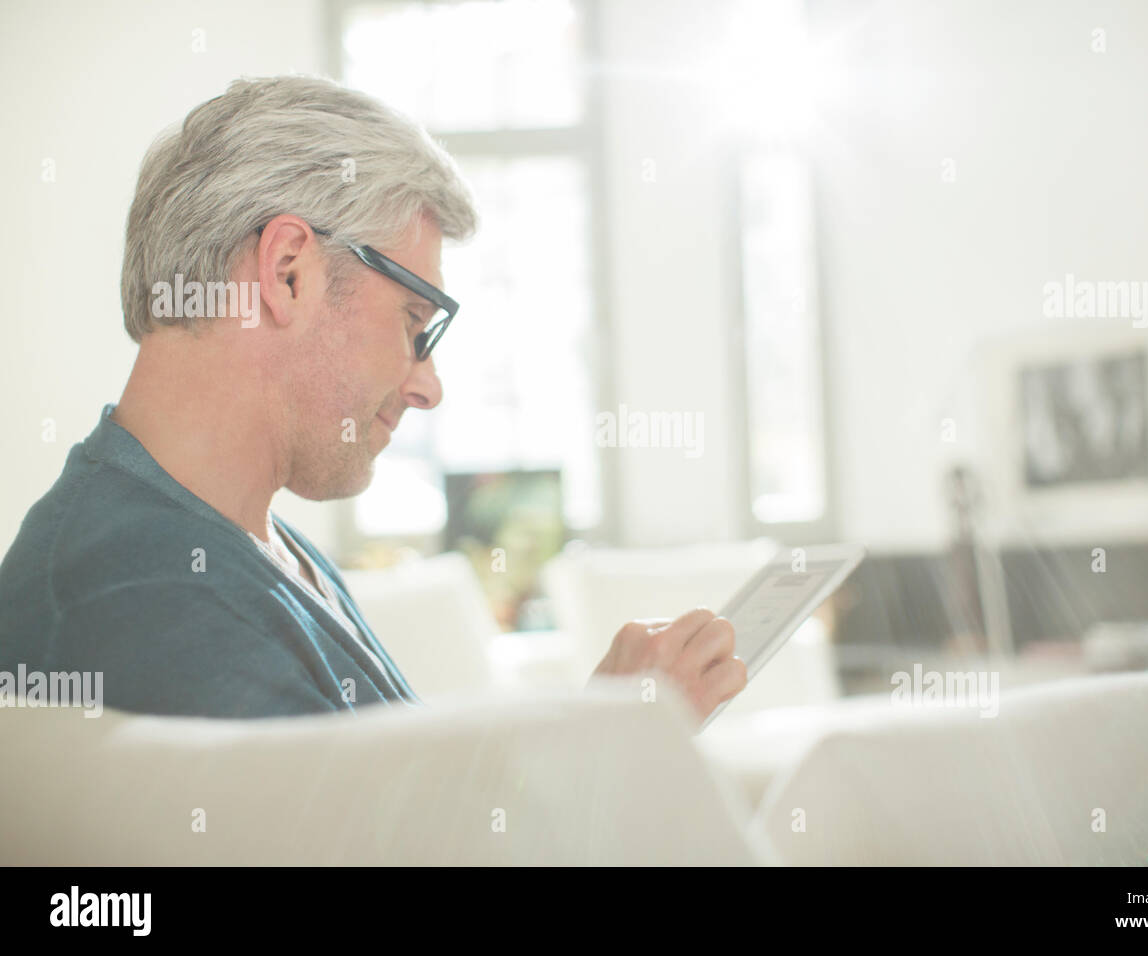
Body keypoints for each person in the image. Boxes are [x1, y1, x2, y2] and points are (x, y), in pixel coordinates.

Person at [0, 74, 746, 727]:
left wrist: (597, 734)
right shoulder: (144, 604)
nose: (428, 385)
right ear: (288, 271)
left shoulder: (259, 550)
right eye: (413, 323)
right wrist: (608, 749)